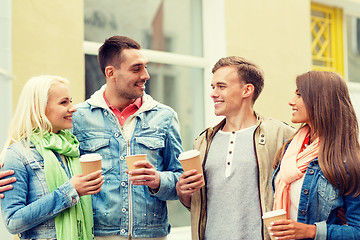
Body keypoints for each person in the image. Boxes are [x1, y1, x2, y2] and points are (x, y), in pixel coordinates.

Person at [71, 36, 183, 239]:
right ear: (111, 73)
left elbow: (181, 180)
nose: (146, 75)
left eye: (145, 67)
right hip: (97, 234)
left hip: (152, 235)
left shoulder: (165, 117)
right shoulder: (78, 117)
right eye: (136, 68)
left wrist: (158, 180)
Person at [176, 56, 295, 240]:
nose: (213, 93)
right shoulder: (203, 141)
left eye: (221, 87)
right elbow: (196, 204)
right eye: (213, 87)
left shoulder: (282, 135)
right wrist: (183, 192)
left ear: (247, 90)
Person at [0, 75, 104, 239]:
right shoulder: (17, 154)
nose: (73, 108)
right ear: (39, 108)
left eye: (71, 101)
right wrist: (69, 191)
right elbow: (13, 221)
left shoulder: (71, 148)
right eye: (64, 102)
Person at [270, 71, 360, 239]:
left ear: (320, 101)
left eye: (299, 95)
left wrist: (311, 231)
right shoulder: (291, 148)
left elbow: (358, 230)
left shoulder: (348, 161)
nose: (291, 101)